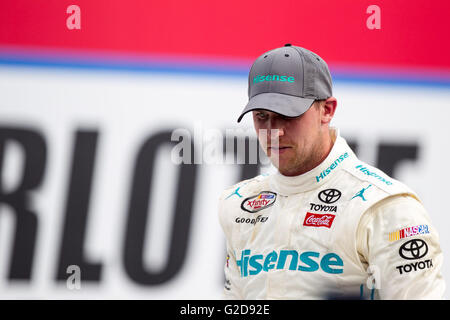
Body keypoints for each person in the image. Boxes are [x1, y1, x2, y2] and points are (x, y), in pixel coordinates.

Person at [218, 44, 446, 299]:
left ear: (327, 110)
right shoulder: (238, 204)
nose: (274, 131)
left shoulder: (384, 206)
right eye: (261, 116)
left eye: (288, 115)